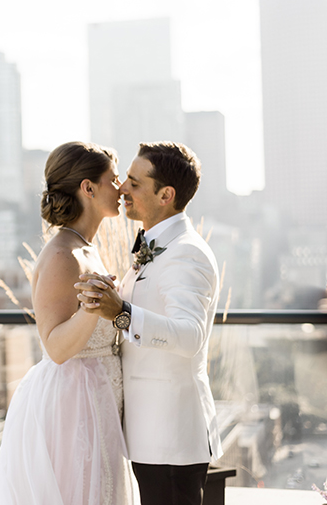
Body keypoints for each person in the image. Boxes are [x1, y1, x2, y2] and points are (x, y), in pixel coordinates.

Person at [0, 141, 132, 505]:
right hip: (75, 401)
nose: (122, 187)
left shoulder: (86, 247)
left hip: (99, 395)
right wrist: (92, 308)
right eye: (113, 179)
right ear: (88, 188)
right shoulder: (63, 254)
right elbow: (56, 347)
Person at [75, 141, 223, 505]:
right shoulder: (157, 246)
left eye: (134, 183)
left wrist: (122, 312)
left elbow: (189, 336)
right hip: (150, 433)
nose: (123, 188)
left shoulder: (186, 252)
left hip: (170, 435)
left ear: (166, 195)